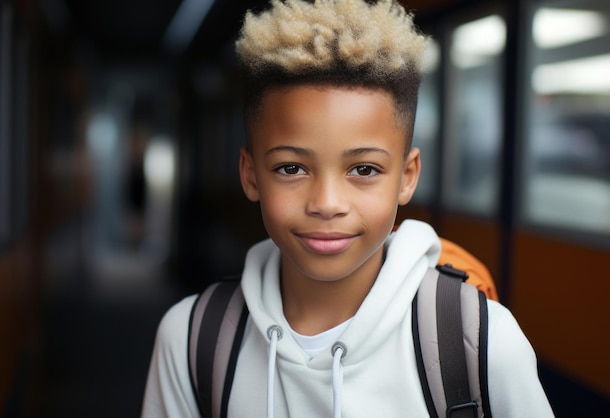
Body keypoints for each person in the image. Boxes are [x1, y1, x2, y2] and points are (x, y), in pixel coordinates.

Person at [141, 0, 554, 417]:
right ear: (250, 175)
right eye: (291, 167)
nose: (327, 204)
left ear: (408, 176)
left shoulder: (481, 344)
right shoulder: (193, 340)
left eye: (363, 168)